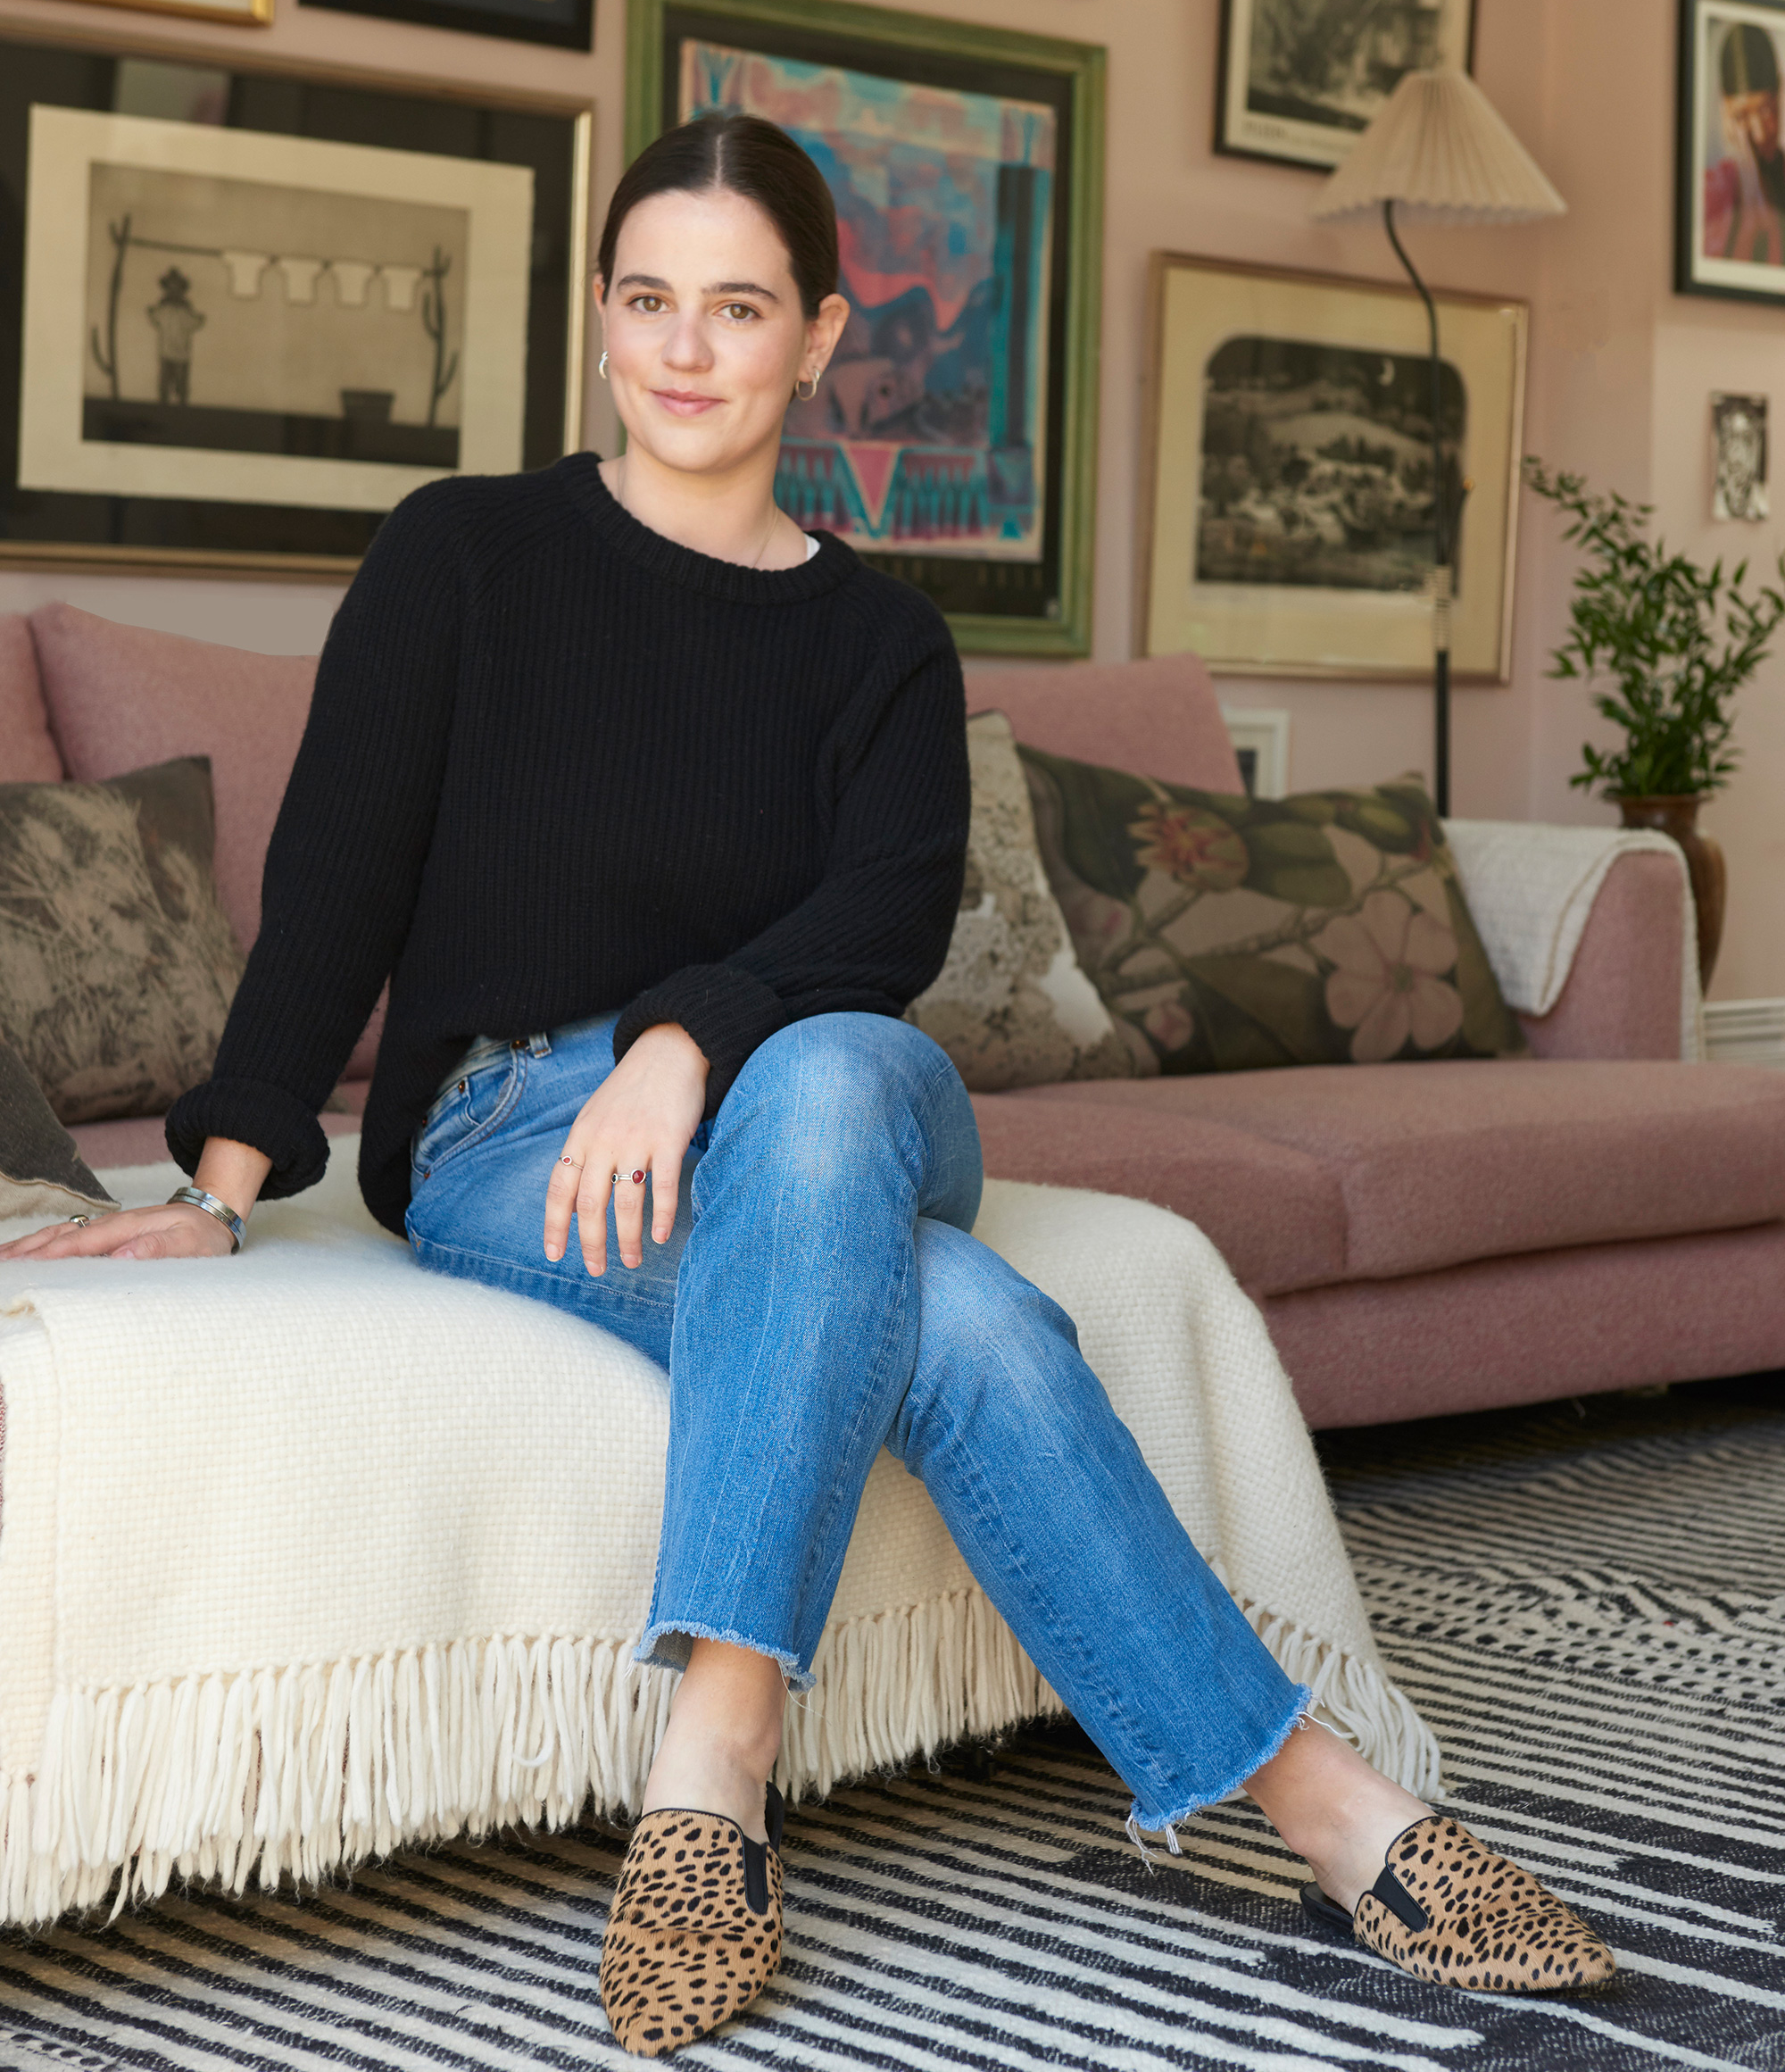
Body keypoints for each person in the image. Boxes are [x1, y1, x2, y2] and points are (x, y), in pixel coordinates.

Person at [1, 113, 1615, 2054]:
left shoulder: (881, 644)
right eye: (646, 300)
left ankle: (712, 1757)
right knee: (966, 1326)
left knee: (835, 1068)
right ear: (600, 317)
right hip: (512, 1130)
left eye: (737, 307)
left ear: (820, 334)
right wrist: (227, 1180)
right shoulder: (464, 559)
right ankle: (1332, 1810)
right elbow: (337, 882)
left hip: (822, 1091)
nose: (684, 350)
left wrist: (686, 1040)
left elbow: (884, 926)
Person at [1704, 21, 1785, 265]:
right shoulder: (1708, 192)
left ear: (1780, 93)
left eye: (1766, 110)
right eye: (1741, 116)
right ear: (1724, 108)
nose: (1759, 135)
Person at [146, 266, 204, 407]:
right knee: (164, 385)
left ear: (182, 289)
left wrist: (199, 319)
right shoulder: (163, 307)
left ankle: (182, 408)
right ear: (166, 288)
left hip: (182, 353)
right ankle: (163, 408)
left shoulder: (186, 308)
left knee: (182, 387)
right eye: (171, 286)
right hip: (166, 351)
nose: (174, 290)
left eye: (177, 286)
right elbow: (155, 318)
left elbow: (193, 323)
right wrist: (151, 313)